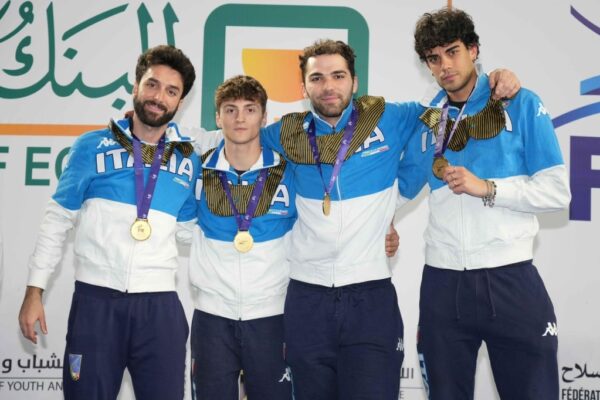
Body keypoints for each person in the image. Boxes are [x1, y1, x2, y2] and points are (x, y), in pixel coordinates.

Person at [260, 39, 519, 399]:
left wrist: (496, 77)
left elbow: (449, 102)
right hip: (307, 299)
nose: (328, 86)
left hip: (371, 298)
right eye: (317, 78)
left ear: (354, 81)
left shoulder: (389, 116)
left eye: (338, 76)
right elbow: (230, 143)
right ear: (303, 88)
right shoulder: (283, 134)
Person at [17, 44, 218, 400]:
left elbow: (190, 232)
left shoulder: (188, 160)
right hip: (96, 303)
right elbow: (57, 219)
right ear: (136, 86)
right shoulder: (91, 146)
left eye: (171, 91)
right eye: (152, 85)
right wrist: (35, 291)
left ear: (180, 101)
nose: (159, 97)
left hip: (160, 309)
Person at [186, 75, 399, 400]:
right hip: (212, 316)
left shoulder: (291, 170)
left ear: (264, 117)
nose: (240, 118)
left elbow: (326, 220)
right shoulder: (199, 170)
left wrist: (384, 224)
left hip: (273, 316)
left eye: (249, 109)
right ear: (218, 117)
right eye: (230, 110)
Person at [396, 8, 571, 400]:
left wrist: (489, 188)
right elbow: (400, 190)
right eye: (434, 58)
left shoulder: (519, 102)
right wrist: (380, 225)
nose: (444, 65)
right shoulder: (428, 118)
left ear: (473, 50)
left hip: (510, 278)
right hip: (443, 284)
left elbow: (558, 192)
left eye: (452, 52)